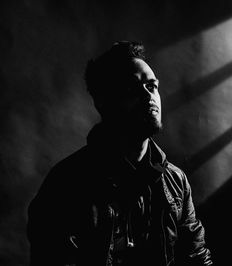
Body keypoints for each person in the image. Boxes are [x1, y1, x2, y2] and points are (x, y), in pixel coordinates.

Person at [27, 41, 213, 266]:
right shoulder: (66, 183)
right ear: (102, 102)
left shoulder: (176, 181)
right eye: (132, 88)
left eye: (152, 86)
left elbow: (196, 258)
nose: (148, 95)